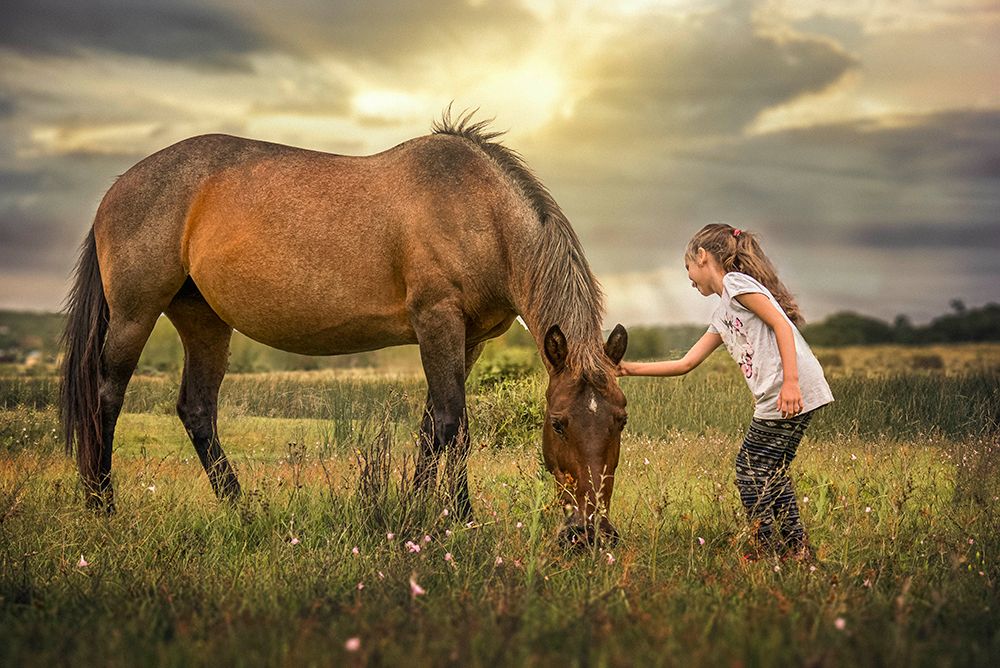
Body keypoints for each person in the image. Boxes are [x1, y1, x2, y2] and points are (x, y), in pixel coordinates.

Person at [617, 223, 834, 561]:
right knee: (770, 472)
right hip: (789, 391)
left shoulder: (736, 284)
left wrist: (790, 382)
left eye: (687, 266)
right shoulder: (723, 312)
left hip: (788, 390)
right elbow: (685, 363)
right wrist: (626, 369)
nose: (688, 277)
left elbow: (780, 324)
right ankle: (796, 550)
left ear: (702, 257)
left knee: (749, 470)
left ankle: (768, 552)